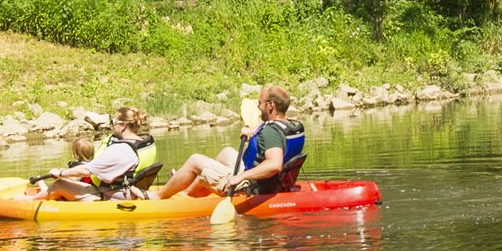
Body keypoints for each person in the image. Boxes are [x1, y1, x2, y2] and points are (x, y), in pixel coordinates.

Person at [156, 84, 304, 200]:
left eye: (260, 103)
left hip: (252, 188)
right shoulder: (293, 126)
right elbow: (273, 134)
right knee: (226, 152)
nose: (258, 107)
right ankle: (187, 192)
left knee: (195, 160)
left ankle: (159, 196)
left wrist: (240, 177)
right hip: (272, 183)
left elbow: (274, 165)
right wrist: (253, 131)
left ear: (271, 105)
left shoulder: (270, 132)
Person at [34, 107, 158, 200]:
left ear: (123, 125)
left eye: (113, 122)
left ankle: (31, 201)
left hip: (111, 195)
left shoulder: (122, 149)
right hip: (132, 191)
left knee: (60, 184)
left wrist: (60, 173)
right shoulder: (146, 143)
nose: (111, 126)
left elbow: (86, 170)